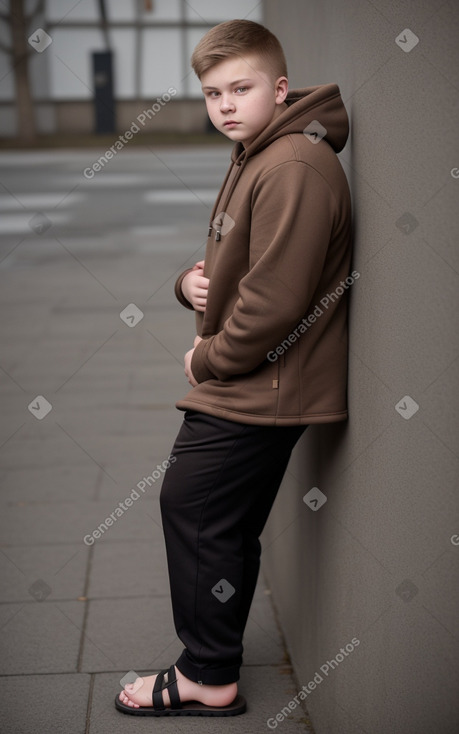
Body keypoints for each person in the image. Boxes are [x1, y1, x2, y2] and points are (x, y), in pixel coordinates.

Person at [115, 18, 352, 717]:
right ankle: (213, 660)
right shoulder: (262, 149)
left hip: (263, 382)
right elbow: (244, 264)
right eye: (212, 92)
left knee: (190, 507)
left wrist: (205, 358)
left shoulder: (291, 165)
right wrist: (189, 285)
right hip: (260, 379)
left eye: (239, 88)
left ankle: (205, 676)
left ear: (278, 88)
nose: (223, 104)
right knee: (219, 521)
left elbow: (276, 302)